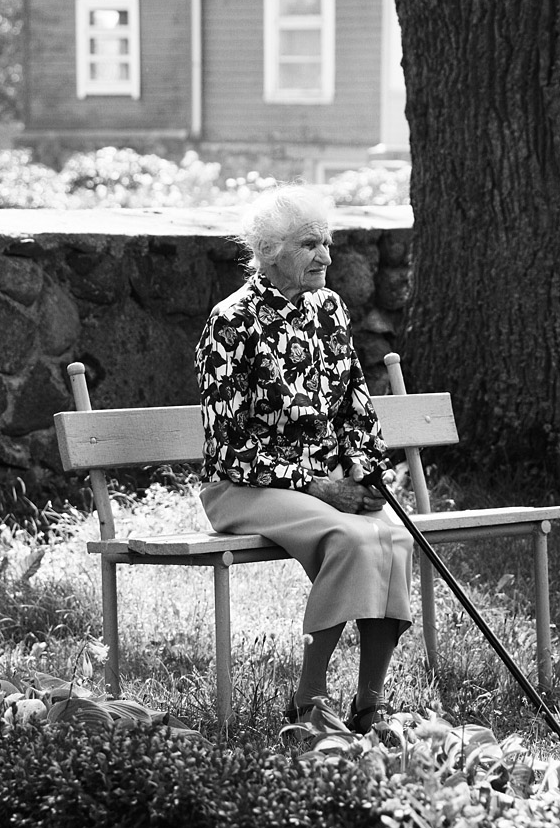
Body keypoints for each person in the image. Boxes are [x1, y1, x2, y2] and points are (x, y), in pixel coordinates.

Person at [195, 183, 413, 734]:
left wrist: (362, 466)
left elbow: (354, 404)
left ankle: (368, 707)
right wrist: (316, 485)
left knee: (393, 539)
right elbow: (227, 443)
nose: (326, 257)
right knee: (351, 538)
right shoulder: (231, 321)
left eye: (326, 243)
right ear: (269, 252)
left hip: (322, 481)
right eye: (310, 245)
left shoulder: (328, 309)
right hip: (244, 486)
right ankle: (308, 703)